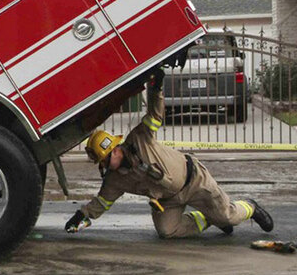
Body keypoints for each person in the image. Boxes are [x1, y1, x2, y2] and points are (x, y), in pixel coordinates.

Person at [65, 68, 274, 238]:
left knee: (228, 217)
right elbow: (102, 201)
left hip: (194, 181)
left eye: (105, 159)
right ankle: (209, 219)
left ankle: (250, 207)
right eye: (102, 162)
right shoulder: (114, 180)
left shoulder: (140, 138)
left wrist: (156, 89)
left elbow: (155, 115)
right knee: (167, 231)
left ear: (116, 150)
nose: (105, 165)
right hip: (167, 200)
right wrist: (81, 216)